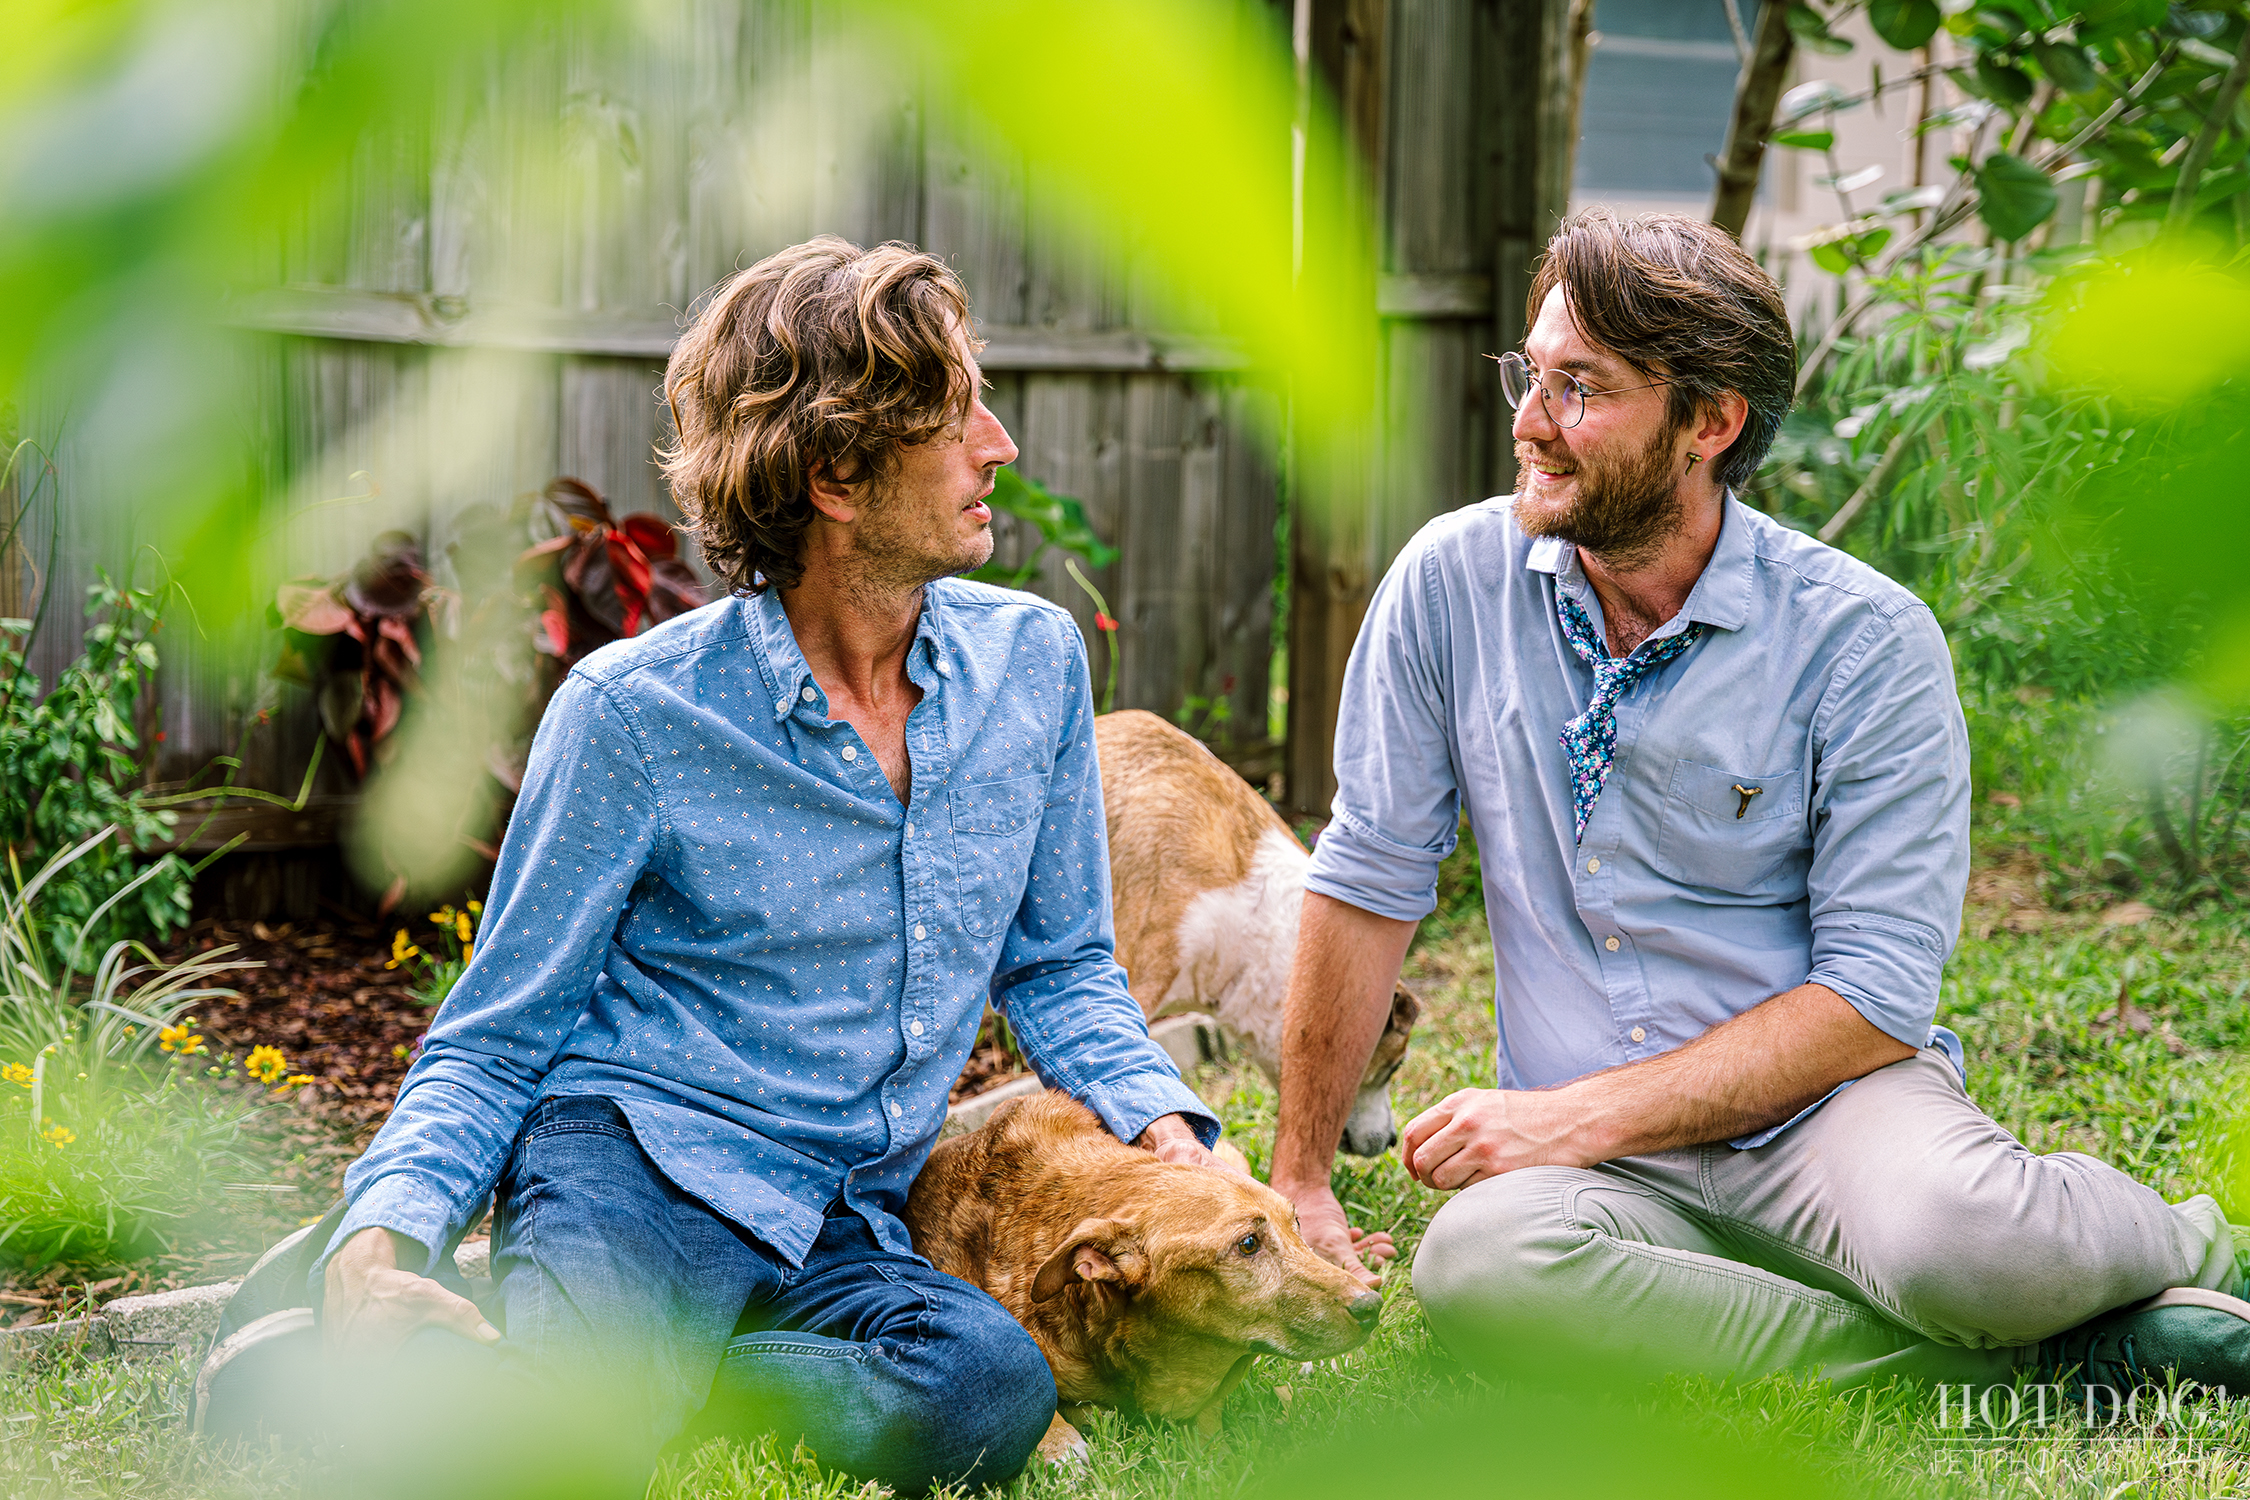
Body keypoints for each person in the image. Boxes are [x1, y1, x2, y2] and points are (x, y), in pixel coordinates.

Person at [1271, 209, 2249, 1394]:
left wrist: (1573, 1117)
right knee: (1482, 1264)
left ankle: (2199, 1250)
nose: (1529, 423)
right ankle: (2028, 1365)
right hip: (1603, 1180)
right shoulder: (1449, 584)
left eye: (1580, 389)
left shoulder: (1865, 641)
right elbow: (1368, 880)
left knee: (1970, 1245)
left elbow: (1875, 998)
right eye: (1531, 375)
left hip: (1828, 1118)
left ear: (1710, 423)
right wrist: (1301, 1177)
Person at [312, 236, 1223, 1497]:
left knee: (989, 1388)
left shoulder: (1036, 667)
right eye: (960, 417)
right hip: (634, 1166)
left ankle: (612, 1388)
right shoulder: (634, 715)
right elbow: (496, 1033)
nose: (1000, 448)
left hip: (843, 1210)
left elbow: (1061, 961)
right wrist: (383, 1236)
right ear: (837, 471)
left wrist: (1165, 1123)